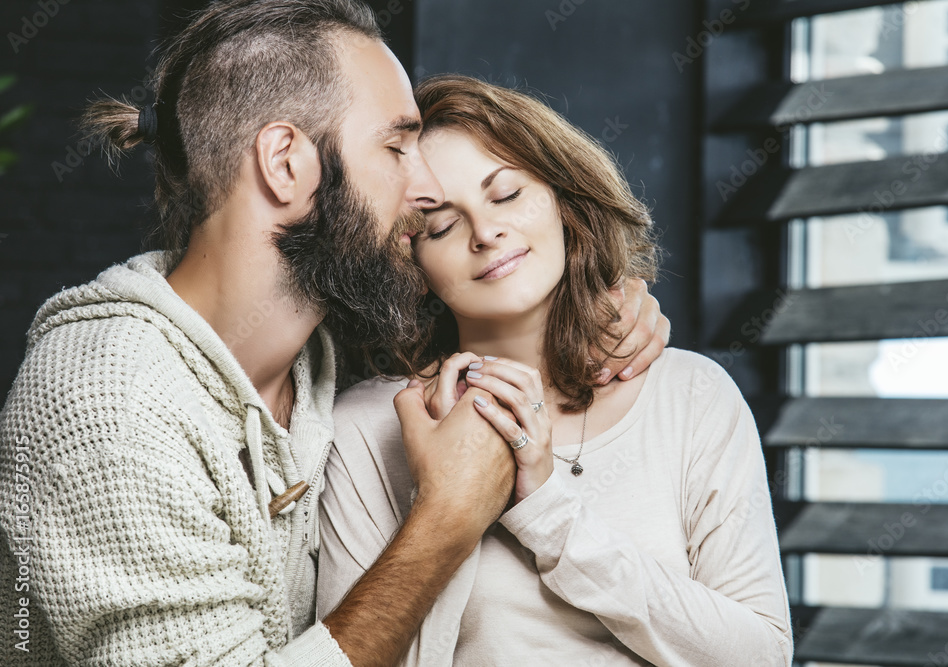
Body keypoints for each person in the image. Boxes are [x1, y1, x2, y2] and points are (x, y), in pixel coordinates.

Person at [0, 3, 671, 666]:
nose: (429, 188)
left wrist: (607, 308)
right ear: (286, 163)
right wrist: (445, 521)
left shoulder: (326, 350)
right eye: (397, 147)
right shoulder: (111, 411)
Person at [317, 74, 794, 666]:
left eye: (507, 194)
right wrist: (445, 502)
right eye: (440, 225)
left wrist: (547, 510)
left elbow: (761, 657)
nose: (487, 233)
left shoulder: (692, 397)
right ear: (410, 262)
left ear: (563, 199)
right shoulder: (368, 429)